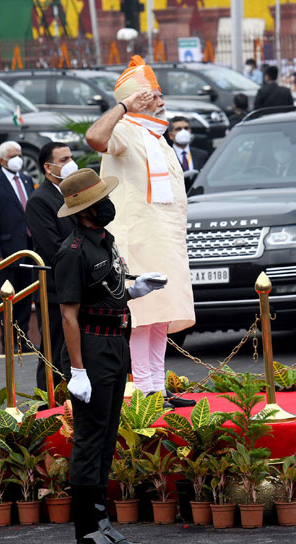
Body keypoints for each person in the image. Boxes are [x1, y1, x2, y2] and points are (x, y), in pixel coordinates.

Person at [54, 168, 165, 544]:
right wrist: (78, 370)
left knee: (106, 435)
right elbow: (69, 316)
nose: (107, 205)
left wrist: (135, 291)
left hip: (116, 342)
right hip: (92, 348)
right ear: (85, 209)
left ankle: (101, 521)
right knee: (89, 437)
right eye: (100, 201)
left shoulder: (105, 240)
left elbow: (106, 292)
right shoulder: (72, 252)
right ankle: (86, 528)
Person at [85, 55, 196, 409]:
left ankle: (158, 389)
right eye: (153, 95)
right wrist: (124, 106)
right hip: (137, 242)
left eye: (159, 95)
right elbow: (94, 137)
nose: (161, 101)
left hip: (166, 242)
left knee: (160, 317)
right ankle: (145, 390)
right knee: (141, 318)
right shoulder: (125, 130)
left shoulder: (157, 136)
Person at [24, 142, 77, 391]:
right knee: (54, 350)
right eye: (64, 160)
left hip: (80, 284)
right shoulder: (40, 200)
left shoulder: (74, 192)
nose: (71, 163)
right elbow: (51, 247)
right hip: (56, 287)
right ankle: (47, 401)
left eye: (71, 157)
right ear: (48, 167)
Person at [0, 141, 35, 339]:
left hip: (28, 250)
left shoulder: (27, 180)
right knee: (7, 301)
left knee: (25, 297)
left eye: (19, 155)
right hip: (7, 254)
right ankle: (9, 341)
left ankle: (23, 339)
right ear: (2, 160)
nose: (17, 159)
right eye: (13, 156)